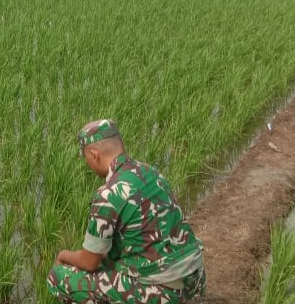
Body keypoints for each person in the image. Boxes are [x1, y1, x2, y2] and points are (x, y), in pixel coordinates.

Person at [48, 119, 205, 304]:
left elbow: (89, 262)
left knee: (57, 277)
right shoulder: (150, 172)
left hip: (164, 291)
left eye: (85, 157)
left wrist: (64, 255)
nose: (87, 163)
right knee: (109, 258)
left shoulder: (108, 194)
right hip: (193, 278)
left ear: (94, 154)